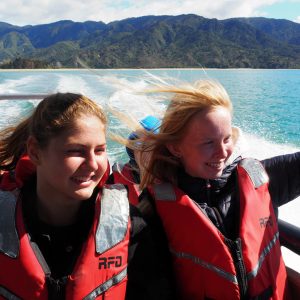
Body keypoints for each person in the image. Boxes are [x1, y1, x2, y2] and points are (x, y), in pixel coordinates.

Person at [129, 79, 300, 300]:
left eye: (227, 139)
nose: (222, 153)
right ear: (175, 147)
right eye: (208, 143)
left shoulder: (260, 179)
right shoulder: (153, 211)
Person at [0, 93, 175, 299]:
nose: (93, 164)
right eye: (76, 151)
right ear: (36, 152)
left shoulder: (130, 226)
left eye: (100, 150)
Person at [111, 115, 161, 205]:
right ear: (132, 152)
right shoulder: (116, 181)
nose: (143, 151)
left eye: (152, 144)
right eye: (137, 144)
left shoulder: (183, 182)